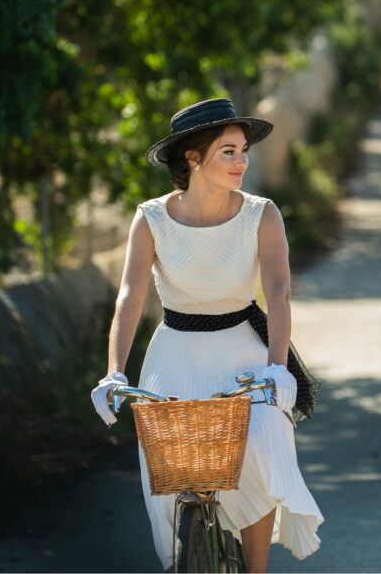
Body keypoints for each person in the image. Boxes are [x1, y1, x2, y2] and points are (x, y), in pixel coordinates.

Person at [88, 98, 323, 572]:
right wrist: (114, 372)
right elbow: (130, 298)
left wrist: (278, 366)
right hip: (173, 354)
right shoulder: (151, 218)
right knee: (171, 470)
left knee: (262, 446)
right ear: (193, 158)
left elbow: (278, 294)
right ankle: (184, 558)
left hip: (243, 352)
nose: (243, 162)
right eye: (228, 152)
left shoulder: (262, 214)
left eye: (243, 151)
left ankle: (255, 570)